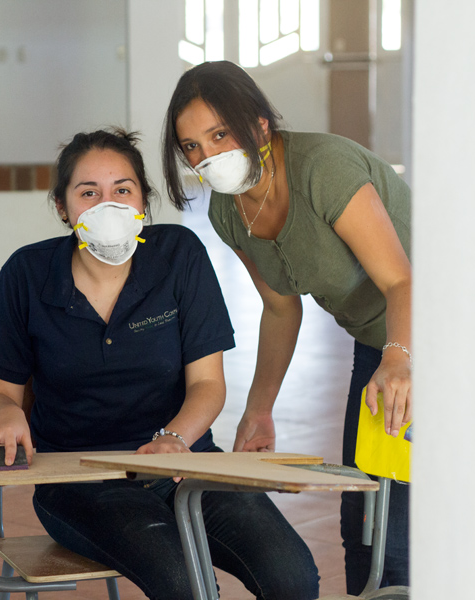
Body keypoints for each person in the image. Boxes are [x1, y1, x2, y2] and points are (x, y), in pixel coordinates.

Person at [0, 128, 319, 600]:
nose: (107, 204)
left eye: (122, 190)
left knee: (292, 576)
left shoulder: (178, 256)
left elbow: (207, 385)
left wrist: (174, 439)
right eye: (88, 192)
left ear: (143, 200)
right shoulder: (27, 274)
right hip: (78, 480)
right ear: (62, 206)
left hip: (184, 465)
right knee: (186, 586)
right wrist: (7, 413)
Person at [162, 60, 411, 594]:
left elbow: (401, 283)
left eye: (219, 134)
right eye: (192, 146)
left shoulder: (323, 168)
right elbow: (281, 308)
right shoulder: (228, 211)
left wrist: (398, 359)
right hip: (380, 342)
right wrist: (259, 409)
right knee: (364, 519)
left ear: (258, 125)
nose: (207, 156)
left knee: (397, 526)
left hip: (433, 326)